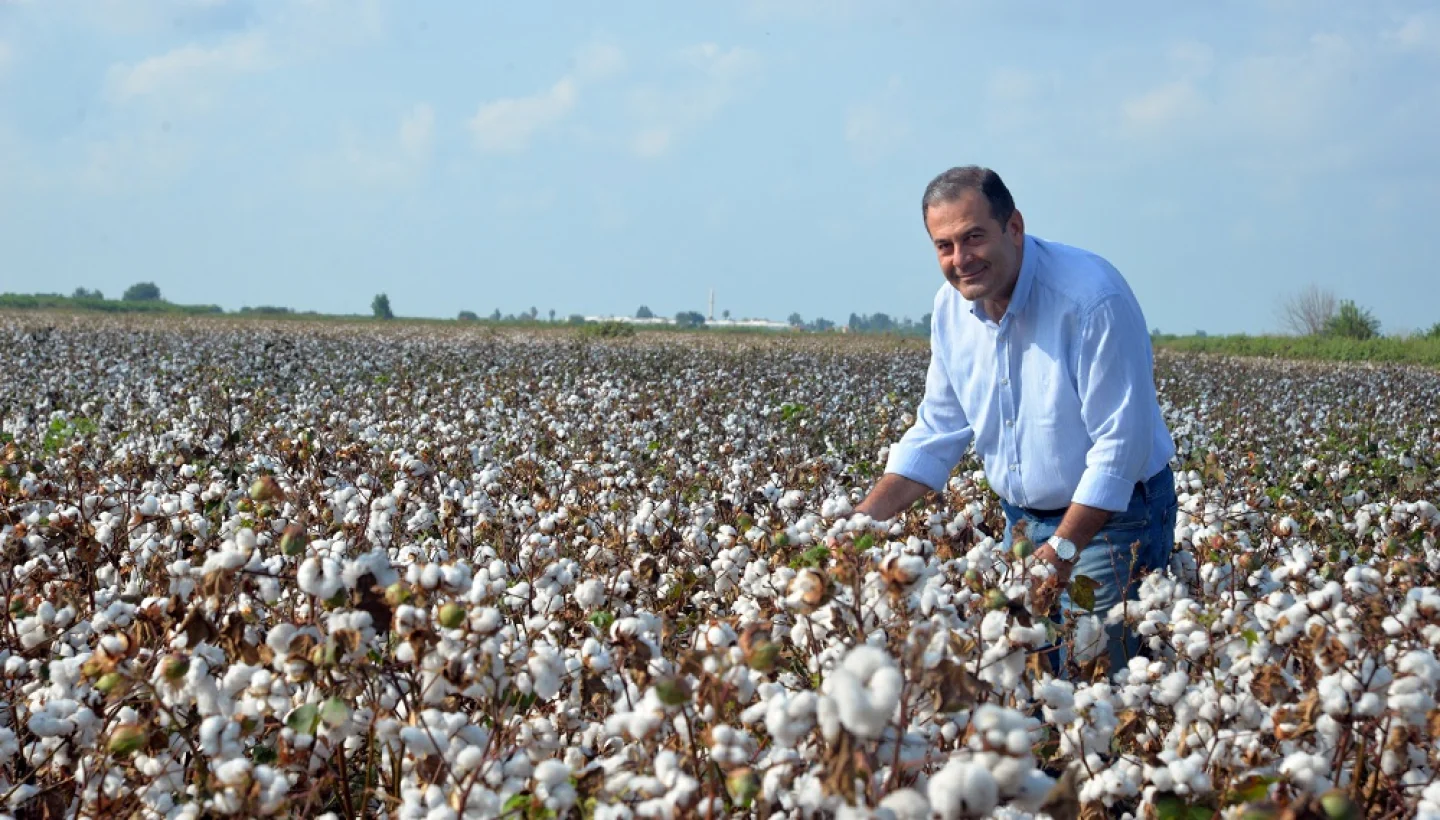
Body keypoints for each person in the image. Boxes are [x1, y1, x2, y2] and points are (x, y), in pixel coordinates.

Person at [853, 165, 1177, 674]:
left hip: (1114, 523)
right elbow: (937, 432)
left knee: (1102, 693)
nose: (961, 260)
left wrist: (1063, 548)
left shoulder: (1090, 300)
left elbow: (1121, 446)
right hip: (1021, 525)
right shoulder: (951, 310)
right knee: (1027, 684)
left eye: (973, 237)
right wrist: (859, 526)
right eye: (944, 246)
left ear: (1015, 227)